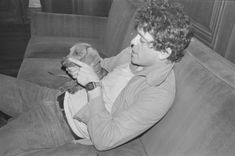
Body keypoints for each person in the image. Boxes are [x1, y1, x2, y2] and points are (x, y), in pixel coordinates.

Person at [0, 0, 193, 155]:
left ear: (164, 52)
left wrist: (92, 86)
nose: (133, 42)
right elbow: (105, 66)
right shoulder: (135, 55)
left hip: (62, 124)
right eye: (137, 35)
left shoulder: (158, 95)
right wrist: (84, 68)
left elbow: (105, 140)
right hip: (57, 97)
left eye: (142, 40)